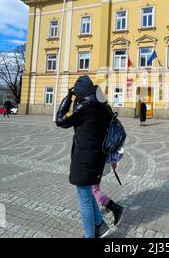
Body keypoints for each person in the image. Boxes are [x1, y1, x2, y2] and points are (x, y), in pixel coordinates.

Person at [56, 75, 113, 238]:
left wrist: (67, 99)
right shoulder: (103, 105)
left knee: (83, 197)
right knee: (87, 192)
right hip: (98, 157)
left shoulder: (85, 107)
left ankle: (89, 236)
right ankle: (100, 225)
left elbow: (60, 120)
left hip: (85, 159)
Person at [92, 161, 125, 227]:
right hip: (95, 164)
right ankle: (113, 207)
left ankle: (115, 208)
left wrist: (113, 160)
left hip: (94, 164)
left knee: (93, 190)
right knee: (92, 190)